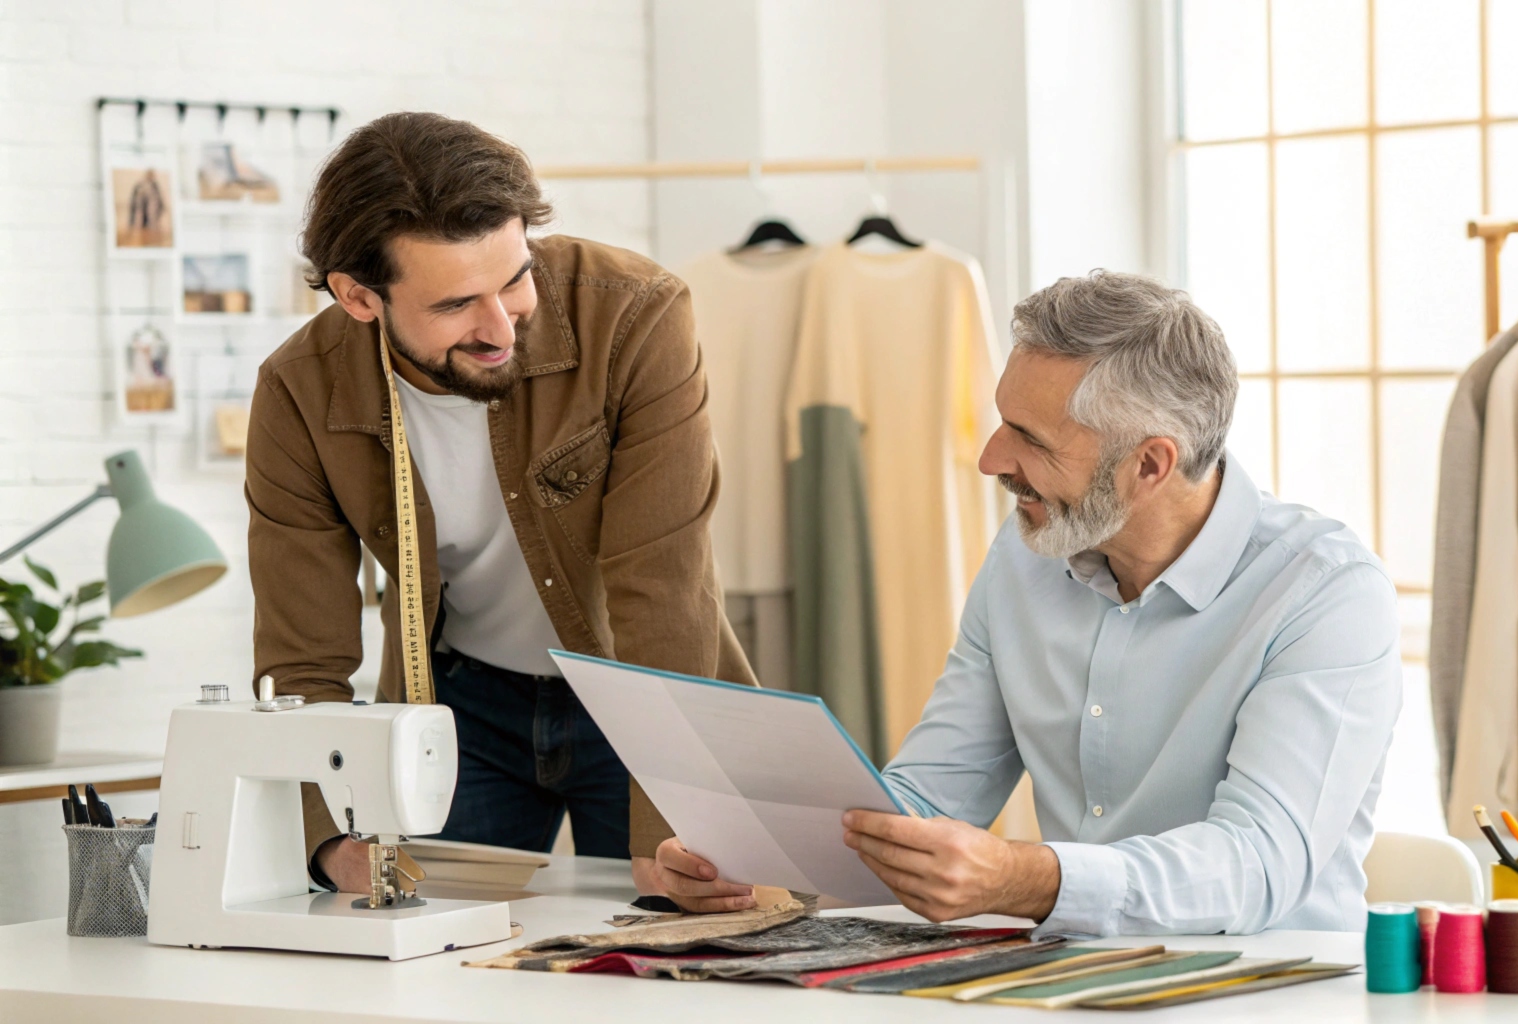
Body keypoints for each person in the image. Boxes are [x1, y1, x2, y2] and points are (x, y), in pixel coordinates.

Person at [645, 271, 1402, 935]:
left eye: (1028, 438)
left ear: (1149, 463)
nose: (989, 460)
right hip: (1067, 984)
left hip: (1273, 992)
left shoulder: (1324, 592)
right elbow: (933, 794)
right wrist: (753, 854)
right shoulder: (1025, 556)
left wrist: (1026, 879)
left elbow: (1257, 862)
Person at [246, 112, 753, 895]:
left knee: (687, 948)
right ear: (358, 298)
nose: (499, 327)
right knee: (440, 969)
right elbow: (303, 658)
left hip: (639, 698)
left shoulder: (635, 315)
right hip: (458, 710)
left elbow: (665, 588)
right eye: (454, 305)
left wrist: (674, 822)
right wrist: (330, 836)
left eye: (515, 278)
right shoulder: (299, 392)